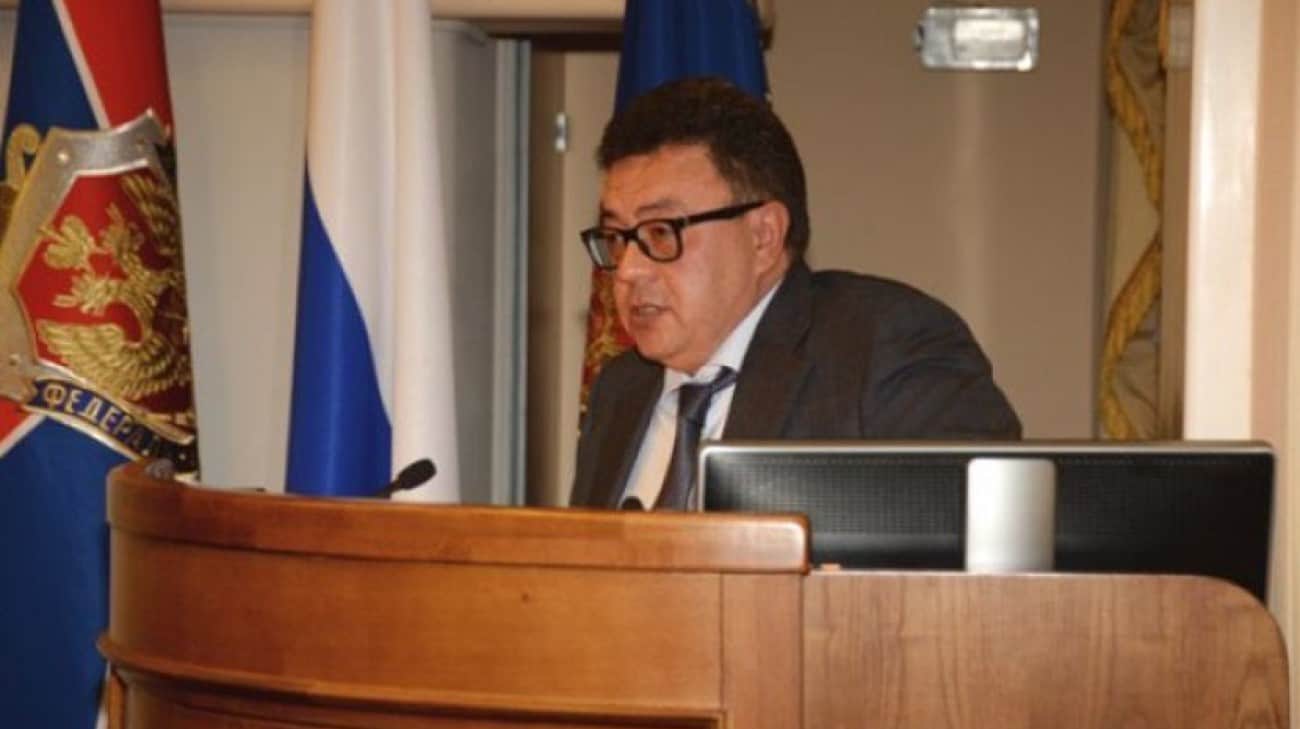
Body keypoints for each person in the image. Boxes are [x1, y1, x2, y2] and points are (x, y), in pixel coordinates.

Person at [570, 77, 1020, 510]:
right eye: (616, 237)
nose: (628, 270)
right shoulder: (620, 389)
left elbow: (981, 533)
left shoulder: (884, 349)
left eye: (660, 232)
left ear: (763, 236)